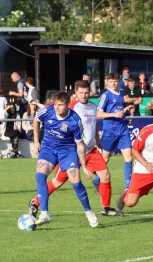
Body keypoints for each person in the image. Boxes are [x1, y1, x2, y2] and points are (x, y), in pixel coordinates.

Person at [28, 80, 119, 217]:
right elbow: (52, 110)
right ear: (75, 92)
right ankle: (35, 202)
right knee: (57, 182)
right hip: (71, 152)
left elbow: (91, 125)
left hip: (90, 150)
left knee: (105, 175)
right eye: (81, 92)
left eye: (87, 92)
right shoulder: (71, 107)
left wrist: (97, 140)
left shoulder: (93, 107)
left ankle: (105, 208)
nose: (84, 95)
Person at [32, 91, 98, 228]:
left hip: (67, 151)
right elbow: (36, 120)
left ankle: (88, 211)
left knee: (76, 183)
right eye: (55, 104)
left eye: (60, 105)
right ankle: (44, 213)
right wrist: (36, 141)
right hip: (48, 149)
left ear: (68, 105)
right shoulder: (47, 111)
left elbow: (80, 144)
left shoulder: (75, 120)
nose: (57, 107)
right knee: (39, 176)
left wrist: (84, 166)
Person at [95, 72, 135, 194]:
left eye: (115, 81)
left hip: (122, 129)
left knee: (128, 156)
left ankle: (128, 186)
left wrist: (124, 117)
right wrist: (114, 115)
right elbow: (98, 114)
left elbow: (118, 110)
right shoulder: (105, 96)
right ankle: (97, 180)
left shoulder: (121, 93)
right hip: (110, 131)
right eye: (111, 81)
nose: (113, 83)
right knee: (105, 159)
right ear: (107, 82)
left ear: (119, 81)